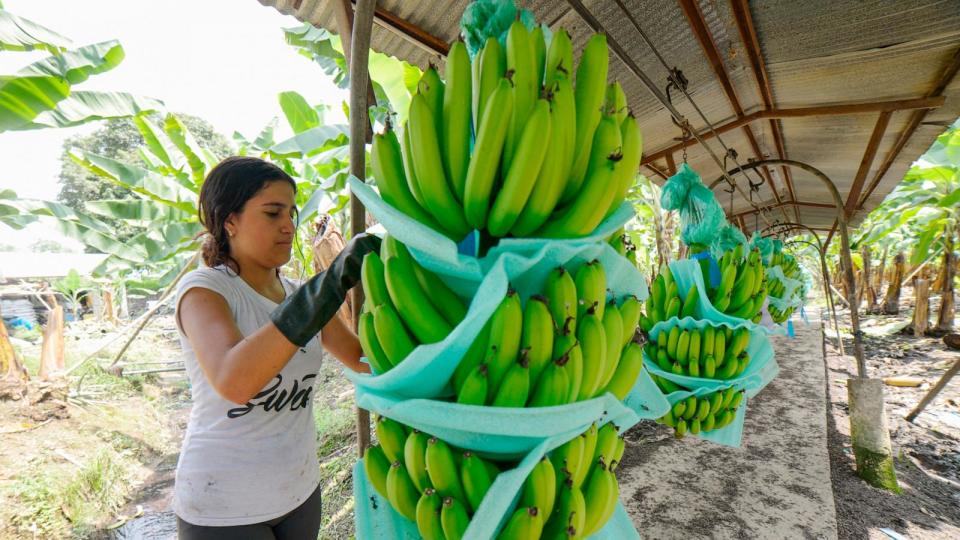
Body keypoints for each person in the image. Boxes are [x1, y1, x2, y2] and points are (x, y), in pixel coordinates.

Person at [173, 156, 380, 539]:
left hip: (298, 492)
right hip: (223, 506)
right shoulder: (206, 291)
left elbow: (363, 359)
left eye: (291, 213)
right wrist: (328, 286)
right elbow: (235, 381)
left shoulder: (298, 295)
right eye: (272, 213)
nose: (288, 226)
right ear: (229, 220)